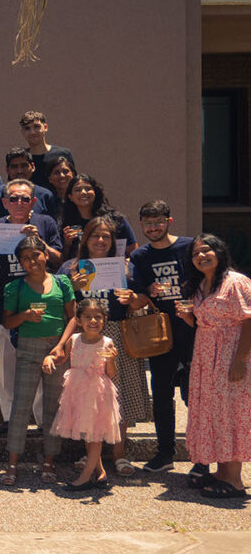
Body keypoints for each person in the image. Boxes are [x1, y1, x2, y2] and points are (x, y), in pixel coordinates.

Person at [56, 216, 145, 476]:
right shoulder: (70, 268)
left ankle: (119, 455)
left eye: (106, 236)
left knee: (120, 395)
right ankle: (91, 455)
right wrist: (73, 288)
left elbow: (144, 299)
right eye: (95, 236)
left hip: (116, 333)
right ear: (85, 239)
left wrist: (133, 299)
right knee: (89, 398)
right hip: (84, 339)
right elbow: (68, 311)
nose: (101, 240)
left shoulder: (125, 267)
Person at [178, 234, 251, 499]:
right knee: (214, 413)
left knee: (231, 413)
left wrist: (240, 361)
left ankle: (234, 481)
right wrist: (188, 317)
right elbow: (203, 324)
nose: (201, 256)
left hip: (231, 356)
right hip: (206, 358)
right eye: (195, 254)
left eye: (206, 251)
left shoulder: (236, 282)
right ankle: (222, 472)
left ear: (219, 252)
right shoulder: (201, 285)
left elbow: (248, 321)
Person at [0, 236, 76, 486]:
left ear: (45, 254)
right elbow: (8, 322)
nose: (31, 261)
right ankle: (12, 465)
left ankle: (48, 462)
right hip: (27, 349)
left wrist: (61, 346)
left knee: (53, 407)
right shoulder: (15, 287)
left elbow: (73, 318)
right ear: (20, 262)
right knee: (20, 406)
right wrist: (24, 315)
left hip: (57, 350)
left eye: (36, 255)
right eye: (25, 258)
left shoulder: (62, 282)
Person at [129, 200, 197, 475]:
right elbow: (138, 294)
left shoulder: (189, 246)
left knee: (196, 396)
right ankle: (165, 452)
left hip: (194, 328)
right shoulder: (140, 257)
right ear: (141, 225)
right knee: (161, 393)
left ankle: (202, 458)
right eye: (148, 223)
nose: (153, 227)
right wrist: (148, 292)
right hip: (160, 331)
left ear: (169, 221)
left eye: (158, 222)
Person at [0, 178, 62, 436]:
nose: (18, 203)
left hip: (41, 300)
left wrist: (40, 242)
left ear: (33, 201)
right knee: (7, 364)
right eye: (13, 198)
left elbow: (59, 258)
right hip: (6, 303)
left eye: (24, 198)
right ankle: (10, 417)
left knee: (41, 361)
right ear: (4, 202)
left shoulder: (45, 223)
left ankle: (43, 419)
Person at [48, 299, 121, 491]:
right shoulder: (74, 340)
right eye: (87, 317)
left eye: (98, 317)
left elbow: (111, 373)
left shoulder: (107, 343)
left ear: (105, 320)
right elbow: (63, 358)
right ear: (79, 320)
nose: (93, 321)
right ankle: (101, 472)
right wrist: (50, 357)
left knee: (94, 436)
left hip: (97, 392)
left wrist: (112, 360)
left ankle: (85, 477)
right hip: (77, 390)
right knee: (88, 434)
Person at [58, 174, 137, 261]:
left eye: (88, 189)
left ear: (95, 192)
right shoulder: (67, 224)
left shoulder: (116, 220)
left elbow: (133, 252)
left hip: (113, 270)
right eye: (77, 190)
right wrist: (67, 244)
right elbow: (63, 261)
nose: (83, 192)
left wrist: (125, 265)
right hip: (81, 273)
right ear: (70, 197)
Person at [0, 148, 59, 221]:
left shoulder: (45, 195)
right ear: (7, 170)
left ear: (33, 167)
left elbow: (51, 228)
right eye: (14, 167)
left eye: (24, 166)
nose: (19, 171)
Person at [19, 110, 76, 194]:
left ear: (45, 127)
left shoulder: (63, 154)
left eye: (36, 127)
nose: (32, 132)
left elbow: (73, 183)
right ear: (22, 132)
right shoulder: (21, 158)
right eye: (27, 128)